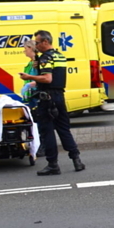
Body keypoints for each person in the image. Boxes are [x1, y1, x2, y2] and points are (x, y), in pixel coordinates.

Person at [20, 30, 84, 175]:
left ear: (45, 42)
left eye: (37, 43)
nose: (35, 45)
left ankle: (53, 165)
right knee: (63, 129)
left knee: (47, 131)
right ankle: (76, 160)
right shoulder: (59, 55)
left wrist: (29, 76)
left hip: (47, 98)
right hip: (59, 96)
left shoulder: (45, 58)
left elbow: (47, 79)